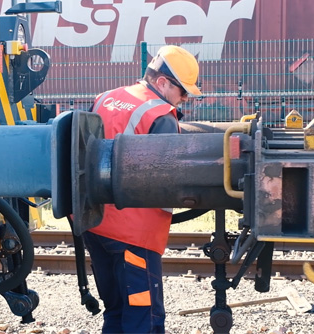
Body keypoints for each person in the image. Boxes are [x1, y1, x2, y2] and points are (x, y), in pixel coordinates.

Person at [82, 45, 202, 333]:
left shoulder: (105, 98)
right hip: (133, 236)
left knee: (116, 312)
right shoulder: (160, 114)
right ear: (162, 82)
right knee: (143, 318)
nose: (184, 99)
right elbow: (167, 180)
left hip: (95, 227)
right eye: (182, 91)